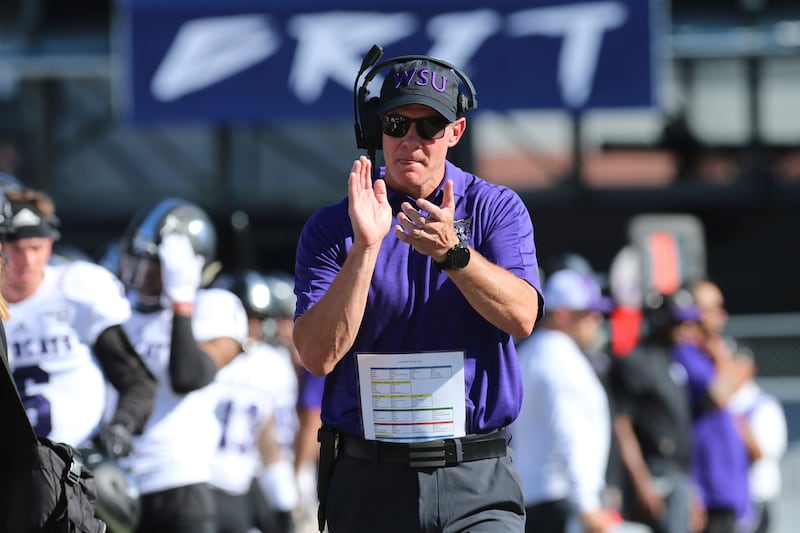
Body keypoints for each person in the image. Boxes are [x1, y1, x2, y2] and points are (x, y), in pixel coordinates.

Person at [293, 50, 542, 533]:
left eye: (429, 126)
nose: (411, 140)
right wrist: (365, 249)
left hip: (475, 476)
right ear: (375, 131)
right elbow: (317, 357)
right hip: (370, 480)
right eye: (396, 124)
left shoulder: (495, 209)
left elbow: (523, 317)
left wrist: (455, 255)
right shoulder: (333, 227)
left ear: (455, 132)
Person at [117, 198, 248, 533]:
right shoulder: (118, 308)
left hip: (178, 482)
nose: (143, 275)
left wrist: (181, 302)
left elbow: (187, 376)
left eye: (156, 265)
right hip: (117, 480)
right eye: (139, 261)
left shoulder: (216, 306)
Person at [2, 188, 157, 460]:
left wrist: (121, 426)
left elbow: (136, 380)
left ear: (50, 243)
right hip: (13, 467)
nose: (27, 260)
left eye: (35, 248)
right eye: (16, 249)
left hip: (77, 462)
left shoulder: (77, 289)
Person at [511, 268, 617, 533]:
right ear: (562, 315)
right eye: (588, 313)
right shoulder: (560, 360)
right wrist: (588, 503)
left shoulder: (532, 352)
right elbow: (571, 432)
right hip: (561, 497)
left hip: (534, 493)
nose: (597, 319)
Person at [208, 269, 300, 533]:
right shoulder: (269, 363)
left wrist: (283, 498)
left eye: (257, 319)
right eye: (246, 317)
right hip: (207, 479)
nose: (252, 328)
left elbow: (268, 438)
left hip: (240, 480)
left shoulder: (267, 364)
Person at [608, 290, 694, 533]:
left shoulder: (672, 361)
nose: (685, 329)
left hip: (678, 473)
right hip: (652, 473)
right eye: (678, 322)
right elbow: (622, 427)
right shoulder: (634, 361)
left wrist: (692, 492)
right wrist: (642, 481)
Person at [668, 286, 752, 533]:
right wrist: (727, 360)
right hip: (707, 483)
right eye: (714, 308)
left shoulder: (706, 355)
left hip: (728, 484)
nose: (721, 315)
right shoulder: (686, 353)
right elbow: (720, 393)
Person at [726, 348, 787, 533]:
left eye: (737, 366)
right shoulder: (721, 403)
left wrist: (736, 424)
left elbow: (763, 453)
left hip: (756, 496)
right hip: (725, 497)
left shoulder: (764, 406)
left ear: (750, 369)